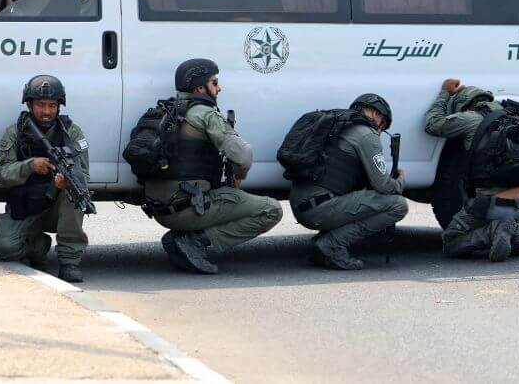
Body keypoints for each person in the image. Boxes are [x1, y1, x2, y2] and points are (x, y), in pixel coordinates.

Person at [144, 58, 282, 274]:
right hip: (187, 207)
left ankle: (183, 237)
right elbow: (243, 155)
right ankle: (195, 242)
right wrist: (238, 177)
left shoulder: (166, 110)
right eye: (214, 83)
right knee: (271, 210)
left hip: (160, 207)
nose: (219, 88)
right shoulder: (205, 113)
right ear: (200, 87)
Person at [288, 94, 409, 270]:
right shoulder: (366, 134)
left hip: (303, 204)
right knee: (398, 205)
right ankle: (331, 245)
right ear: (376, 114)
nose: (380, 132)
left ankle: (323, 242)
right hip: (318, 209)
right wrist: (399, 182)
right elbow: (383, 186)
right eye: (383, 126)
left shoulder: (337, 126)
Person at [0, 75, 90, 283]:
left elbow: (84, 175)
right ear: (29, 105)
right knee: (4, 248)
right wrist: (30, 165)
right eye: (40, 105)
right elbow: (1, 172)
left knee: (75, 194)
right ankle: (38, 246)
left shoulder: (71, 132)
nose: (46, 111)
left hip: (57, 209)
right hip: (26, 207)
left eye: (52, 105)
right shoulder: (15, 133)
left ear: (59, 106)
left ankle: (70, 262)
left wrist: (62, 185)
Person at [424, 78, 519, 262]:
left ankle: (494, 230)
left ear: (465, 105)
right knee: (511, 193)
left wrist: (444, 93)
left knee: (450, 241)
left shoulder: (470, 118)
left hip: (491, 202)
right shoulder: (516, 119)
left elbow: (432, 124)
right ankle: (517, 233)